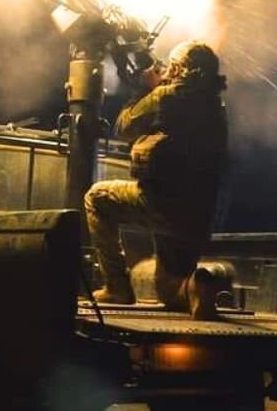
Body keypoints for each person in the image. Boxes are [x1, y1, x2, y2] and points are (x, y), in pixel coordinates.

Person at [84, 40, 228, 319]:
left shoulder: (167, 97)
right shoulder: (215, 105)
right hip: (199, 215)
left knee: (97, 198)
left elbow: (123, 127)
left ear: (178, 69)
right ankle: (194, 288)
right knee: (168, 290)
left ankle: (116, 287)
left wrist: (143, 88)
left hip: (162, 204)